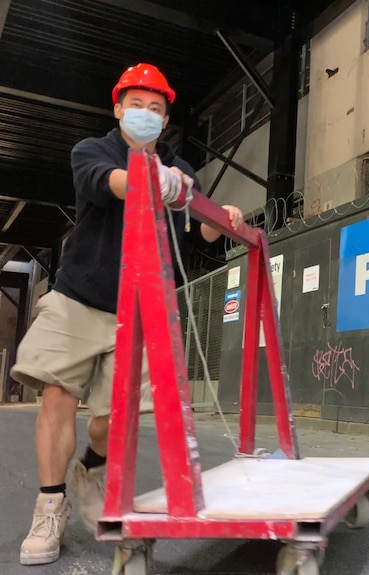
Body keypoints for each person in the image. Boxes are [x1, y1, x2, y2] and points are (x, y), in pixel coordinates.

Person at [11, 63, 244, 566]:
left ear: (166, 120)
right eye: (136, 105)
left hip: (136, 310)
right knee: (57, 394)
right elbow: (105, 183)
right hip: (77, 298)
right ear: (118, 108)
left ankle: (92, 471)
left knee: (111, 421)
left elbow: (184, 243)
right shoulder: (93, 151)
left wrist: (216, 223)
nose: (145, 115)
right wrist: (149, 178)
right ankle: (51, 503)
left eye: (156, 109)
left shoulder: (181, 172)